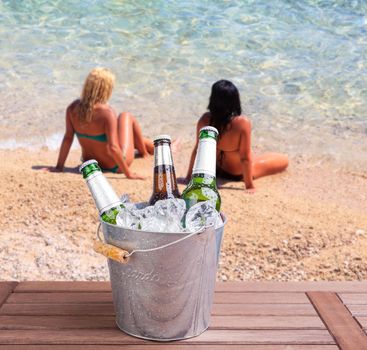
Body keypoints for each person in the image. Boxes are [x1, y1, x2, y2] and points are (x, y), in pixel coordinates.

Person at [48, 67, 153, 179]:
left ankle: (156, 148)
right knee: (125, 116)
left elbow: (68, 138)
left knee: (124, 134)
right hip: (114, 166)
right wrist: (128, 174)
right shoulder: (107, 112)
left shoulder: (72, 108)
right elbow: (113, 147)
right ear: (106, 89)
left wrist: (59, 167)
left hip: (90, 164)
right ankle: (145, 153)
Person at [185, 80, 288, 193]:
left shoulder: (205, 119)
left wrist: (189, 177)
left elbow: (197, 150)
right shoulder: (242, 123)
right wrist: (249, 185)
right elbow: (245, 158)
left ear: (213, 99)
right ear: (235, 100)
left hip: (214, 169)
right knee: (284, 160)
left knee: (266, 156)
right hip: (236, 174)